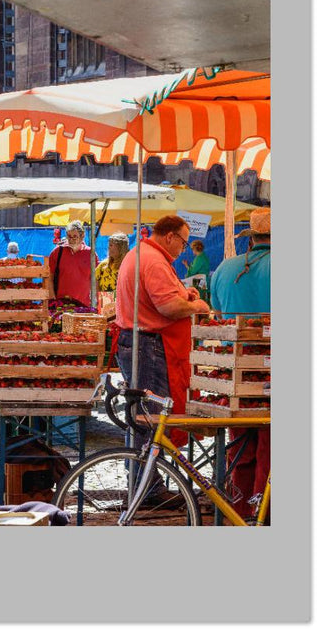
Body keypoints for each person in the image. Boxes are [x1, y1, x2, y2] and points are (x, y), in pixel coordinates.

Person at [115, 215, 209, 450]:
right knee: (150, 416)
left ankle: (145, 477)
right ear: (170, 236)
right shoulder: (154, 261)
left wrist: (181, 292)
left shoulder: (140, 253)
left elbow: (157, 296)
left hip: (138, 342)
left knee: (143, 415)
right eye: (184, 243)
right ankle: (148, 483)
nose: (183, 248)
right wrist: (196, 306)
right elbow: (169, 308)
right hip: (149, 346)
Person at [210, 208, 271, 520]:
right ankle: (265, 513)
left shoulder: (224, 268)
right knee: (270, 446)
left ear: (251, 238)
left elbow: (217, 315)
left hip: (234, 374)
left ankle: (240, 510)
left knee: (241, 446)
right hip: (272, 372)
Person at [47, 220, 98, 308]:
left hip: (84, 306)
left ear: (82, 236)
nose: (71, 239)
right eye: (69, 236)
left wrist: (96, 301)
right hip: (61, 305)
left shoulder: (91, 254)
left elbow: (96, 280)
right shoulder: (57, 252)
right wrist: (52, 300)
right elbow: (48, 277)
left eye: (75, 236)